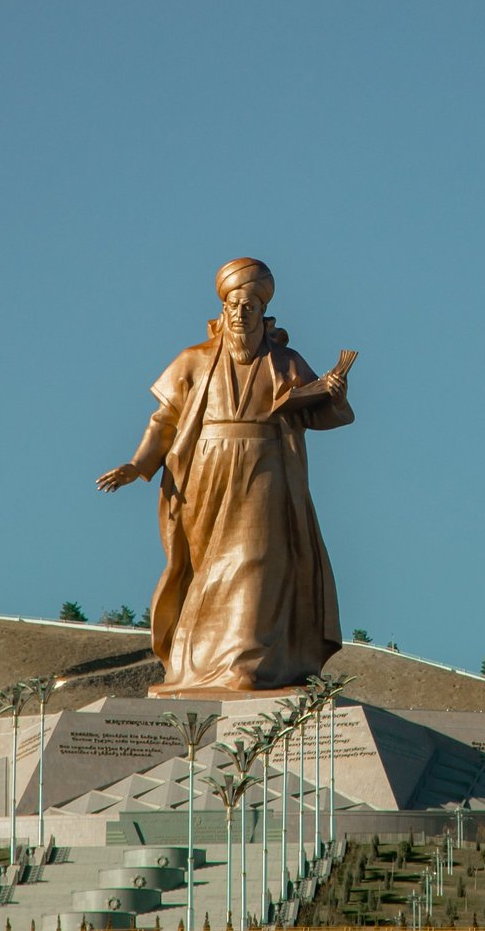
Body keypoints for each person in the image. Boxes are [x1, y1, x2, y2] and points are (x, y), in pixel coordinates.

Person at [96, 258, 354, 694]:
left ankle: (246, 666)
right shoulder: (194, 360)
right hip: (205, 476)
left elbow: (319, 414)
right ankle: (198, 667)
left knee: (257, 560)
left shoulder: (285, 361)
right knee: (208, 570)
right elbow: (165, 420)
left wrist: (334, 395)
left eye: (249, 306)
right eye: (233, 305)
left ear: (263, 312)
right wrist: (138, 464)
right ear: (222, 309)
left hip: (267, 470)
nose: (239, 314)